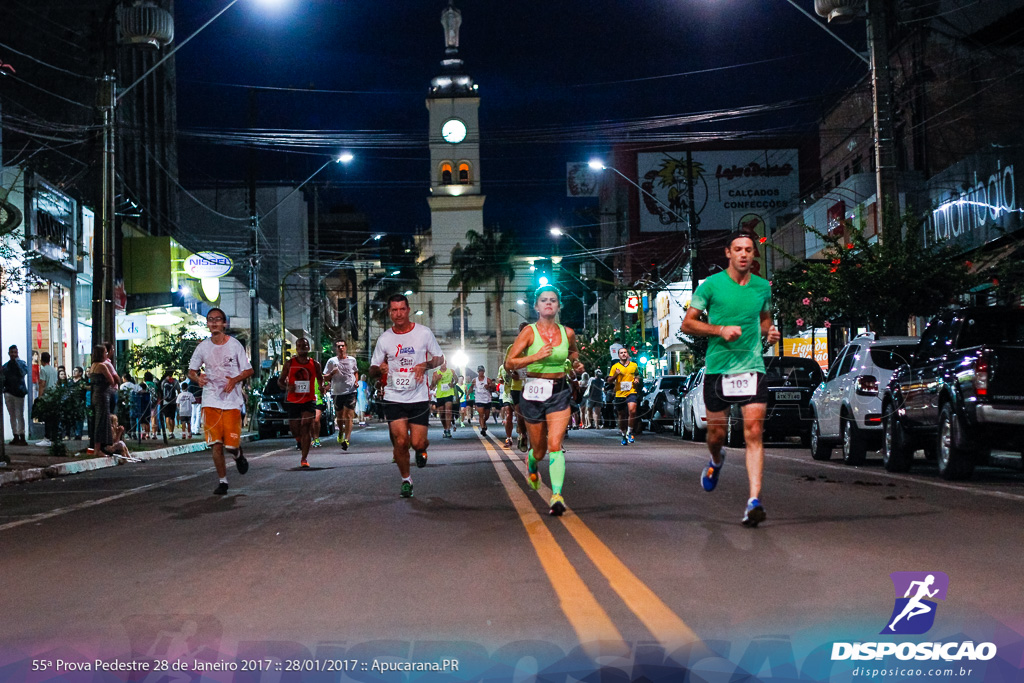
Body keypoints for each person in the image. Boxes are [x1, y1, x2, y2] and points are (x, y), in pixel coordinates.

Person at [681, 230, 780, 527]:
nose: (744, 254)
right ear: (728, 253)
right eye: (738, 249)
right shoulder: (711, 286)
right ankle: (716, 459)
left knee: (753, 432)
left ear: (753, 255)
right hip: (719, 369)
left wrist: (770, 331)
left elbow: (764, 319)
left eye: (749, 249)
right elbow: (688, 324)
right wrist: (720, 329)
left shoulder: (763, 287)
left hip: (752, 367)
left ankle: (753, 501)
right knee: (716, 436)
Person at [504, 285, 586, 516]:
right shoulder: (529, 332)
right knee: (539, 450)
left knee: (555, 445)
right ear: (536, 306)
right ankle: (532, 463)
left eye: (552, 300)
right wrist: (535, 356)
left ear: (559, 305)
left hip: (559, 392)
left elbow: (573, 353)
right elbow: (510, 362)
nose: (548, 303)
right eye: (544, 300)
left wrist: (576, 365)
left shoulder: (568, 332)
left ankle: (557, 495)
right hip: (533, 392)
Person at [369, 294, 444, 498]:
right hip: (394, 396)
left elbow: (439, 358)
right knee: (401, 441)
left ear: (408, 310)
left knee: (418, 442)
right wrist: (380, 369)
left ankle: (421, 450)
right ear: (389, 312)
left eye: (402, 309)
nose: (398, 313)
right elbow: (372, 369)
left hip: (419, 396)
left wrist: (425, 364)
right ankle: (406, 480)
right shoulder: (385, 338)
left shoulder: (423, 333)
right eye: (394, 310)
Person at [188, 307, 254, 495]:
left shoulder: (234, 345)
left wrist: (234, 380)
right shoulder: (202, 347)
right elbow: (191, 371)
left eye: (218, 319)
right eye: (211, 319)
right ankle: (223, 481)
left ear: (224, 323)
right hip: (210, 401)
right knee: (215, 444)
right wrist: (197, 378)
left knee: (230, 445)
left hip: (232, 402)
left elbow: (249, 370)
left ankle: (238, 454)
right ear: (207, 323)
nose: (214, 322)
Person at [278, 337, 323, 468]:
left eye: (305, 345)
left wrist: (322, 387)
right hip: (293, 400)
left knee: (306, 425)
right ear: (296, 348)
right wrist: (287, 387)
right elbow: (280, 381)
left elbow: (320, 379)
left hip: (309, 400)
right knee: (294, 428)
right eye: (300, 345)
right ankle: (298, 440)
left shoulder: (315, 364)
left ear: (309, 347)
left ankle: (304, 458)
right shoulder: (289, 364)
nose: (303, 347)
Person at [324, 340, 359, 450]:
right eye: (338, 346)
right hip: (337, 392)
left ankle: (347, 439)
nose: (341, 348)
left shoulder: (352, 360)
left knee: (349, 415)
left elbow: (355, 372)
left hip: (351, 391)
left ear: (346, 347)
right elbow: (325, 377)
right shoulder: (331, 361)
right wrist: (332, 373)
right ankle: (341, 432)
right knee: (340, 417)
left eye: (342, 346)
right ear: (336, 348)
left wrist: (356, 382)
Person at [607, 347, 641, 446]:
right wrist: (616, 375)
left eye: (625, 352)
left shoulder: (634, 365)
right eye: (621, 353)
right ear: (618, 355)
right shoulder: (615, 367)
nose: (623, 354)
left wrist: (637, 379)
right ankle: (623, 434)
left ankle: (629, 433)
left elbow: (638, 375)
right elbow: (609, 380)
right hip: (619, 393)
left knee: (632, 411)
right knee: (621, 415)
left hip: (631, 391)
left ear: (628, 354)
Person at [89, 344, 118, 457]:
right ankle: (98, 449)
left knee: (98, 421)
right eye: (105, 352)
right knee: (102, 422)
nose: (107, 354)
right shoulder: (102, 366)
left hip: (95, 395)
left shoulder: (93, 366)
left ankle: (100, 447)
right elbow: (112, 381)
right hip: (103, 396)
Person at [2, 345, 30, 447]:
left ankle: (21, 435)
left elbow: (23, 372)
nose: (13, 354)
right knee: (12, 415)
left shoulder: (22, 363)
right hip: (9, 392)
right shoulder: (5, 366)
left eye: (15, 352)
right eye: (12, 352)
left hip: (19, 392)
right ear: (9, 353)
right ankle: (16, 435)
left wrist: (17, 362)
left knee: (19, 414)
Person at [430, 361, 457, 438]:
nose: (443, 364)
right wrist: (436, 379)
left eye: (445, 363)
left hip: (449, 393)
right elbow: (432, 386)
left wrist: (453, 383)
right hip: (440, 395)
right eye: (442, 363)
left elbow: (456, 379)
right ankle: (445, 428)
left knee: (448, 411)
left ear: (446, 363)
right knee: (442, 413)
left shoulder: (451, 371)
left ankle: (448, 430)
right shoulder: (436, 373)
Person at [472, 365, 495, 435]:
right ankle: (482, 429)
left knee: (487, 415)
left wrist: (489, 387)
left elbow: (493, 389)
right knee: (481, 414)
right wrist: (467, 394)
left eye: (482, 371)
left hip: (487, 399)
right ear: (478, 372)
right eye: (479, 371)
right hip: (479, 399)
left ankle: (484, 422)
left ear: (484, 371)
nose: (481, 372)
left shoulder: (488, 380)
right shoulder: (475, 380)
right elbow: (471, 388)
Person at [159, 372, 179, 438]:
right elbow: (178, 391)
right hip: (173, 401)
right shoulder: (175, 381)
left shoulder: (164, 382)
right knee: (172, 417)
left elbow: (162, 390)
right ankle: (172, 432)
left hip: (166, 402)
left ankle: (170, 432)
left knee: (167, 417)